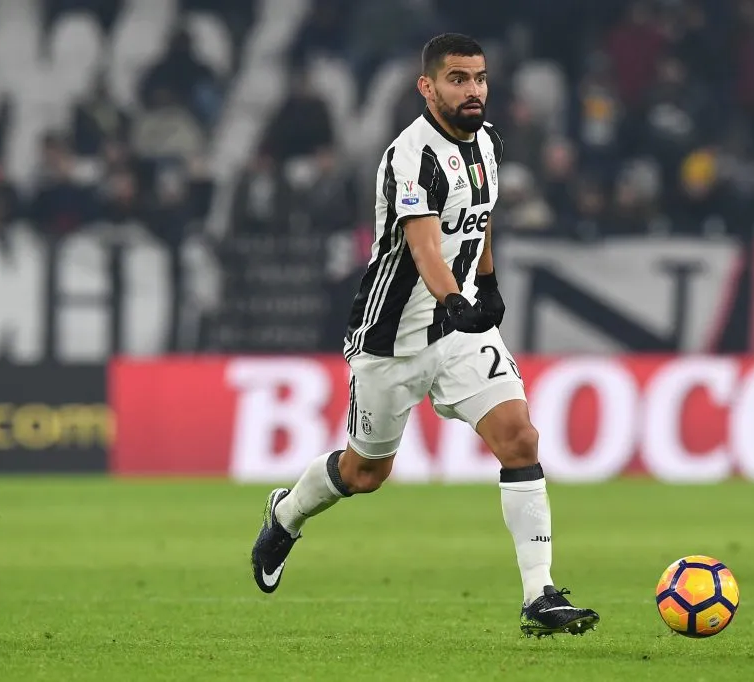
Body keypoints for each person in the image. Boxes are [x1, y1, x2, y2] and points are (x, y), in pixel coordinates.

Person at [249, 33, 600, 638]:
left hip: (459, 331)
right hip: (391, 339)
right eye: (459, 79)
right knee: (365, 473)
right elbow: (424, 243)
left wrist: (485, 283)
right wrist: (456, 297)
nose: (473, 91)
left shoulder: (488, 143)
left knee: (519, 437)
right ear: (428, 86)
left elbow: (478, 221)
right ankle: (287, 512)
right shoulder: (408, 156)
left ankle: (539, 594)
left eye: (480, 78)